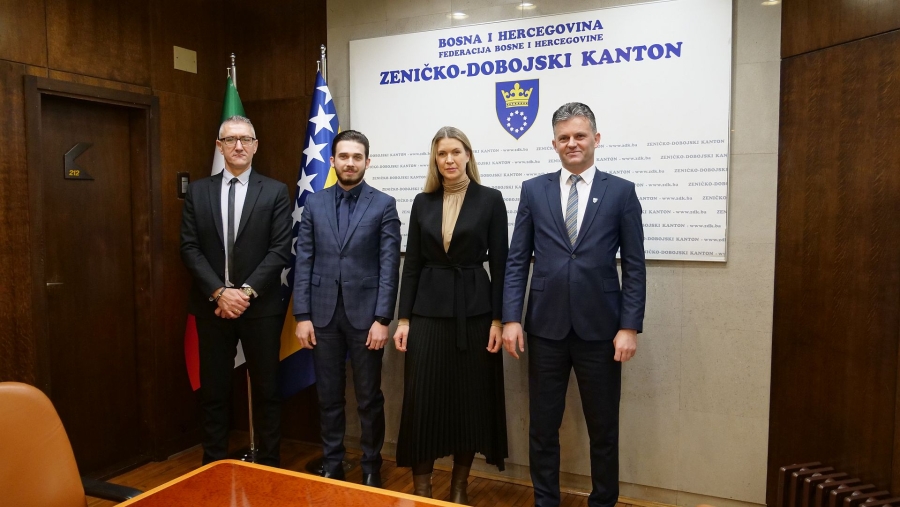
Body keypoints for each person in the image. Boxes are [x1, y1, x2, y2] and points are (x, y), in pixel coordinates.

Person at [501, 102, 646, 507]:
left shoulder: (621, 191)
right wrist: (511, 317)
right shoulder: (534, 189)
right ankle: (545, 501)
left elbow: (635, 266)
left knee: (604, 428)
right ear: (554, 144)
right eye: (563, 137)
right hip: (545, 329)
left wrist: (629, 326)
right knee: (543, 427)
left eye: (580, 135)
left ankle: (603, 502)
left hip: (602, 330)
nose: (572, 143)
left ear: (596, 139)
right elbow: (517, 260)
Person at [393, 126, 509, 504]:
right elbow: (412, 265)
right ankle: (423, 490)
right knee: (423, 402)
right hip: (427, 313)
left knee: (468, 403)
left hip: (475, 316)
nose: (449, 160)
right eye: (442, 153)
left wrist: (498, 320)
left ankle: (459, 487)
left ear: (468, 155)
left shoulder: (490, 200)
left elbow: (502, 267)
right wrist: (404, 319)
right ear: (435, 159)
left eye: (456, 152)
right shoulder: (422, 201)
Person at [180, 115, 292, 467]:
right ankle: (213, 462)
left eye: (245, 139)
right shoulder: (198, 191)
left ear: (256, 145)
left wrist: (244, 293)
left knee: (267, 389)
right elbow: (189, 247)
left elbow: (280, 249)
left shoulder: (275, 191)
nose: (238, 146)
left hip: (260, 308)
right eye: (230, 140)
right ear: (220, 146)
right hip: (212, 307)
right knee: (214, 390)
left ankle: (270, 463)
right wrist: (219, 292)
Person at [293, 130, 401, 488]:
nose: (350, 163)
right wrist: (302, 316)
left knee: (369, 398)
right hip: (322, 315)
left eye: (357, 157)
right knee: (328, 396)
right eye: (343, 156)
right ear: (333, 161)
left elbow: (389, 267)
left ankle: (371, 466)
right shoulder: (315, 203)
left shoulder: (384, 204)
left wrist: (382, 319)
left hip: (366, 318)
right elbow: (304, 260)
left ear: (367, 162)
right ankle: (332, 462)